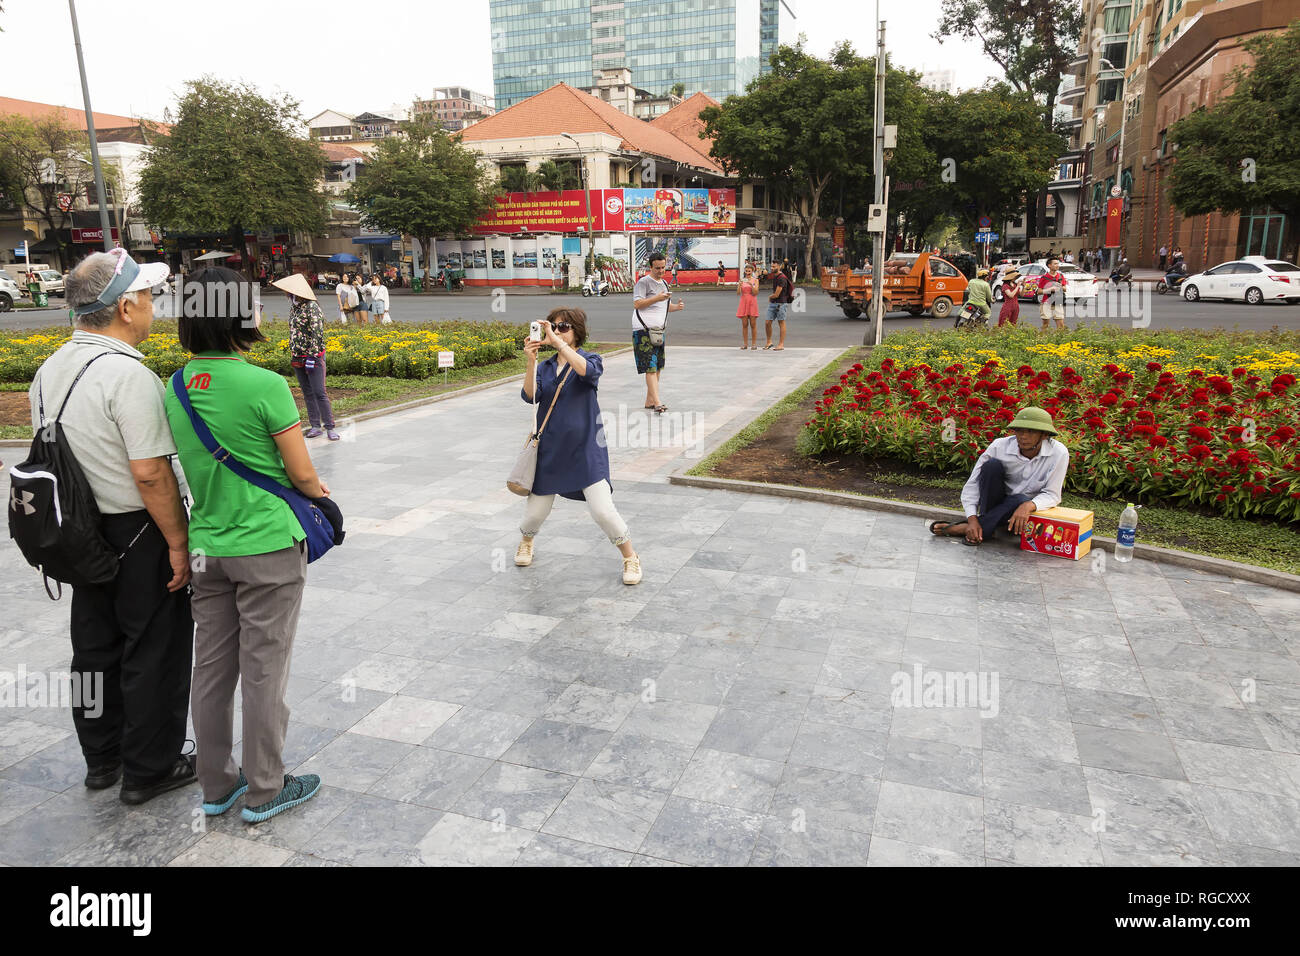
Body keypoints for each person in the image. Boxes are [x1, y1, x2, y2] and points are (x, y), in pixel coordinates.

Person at [29, 248, 195, 804]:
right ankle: (150, 767)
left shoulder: (49, 368)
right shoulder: (128, 374)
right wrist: (177, 543)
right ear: (126, 307)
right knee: (154, 648)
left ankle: (102, 761)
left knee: (94, 647)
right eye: (148, 298)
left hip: (74, 532)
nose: (153, 308)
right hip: (135, 532)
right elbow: (149, 474)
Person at [163, 266, 327, 824]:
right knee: (264, 669)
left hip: (206, 546)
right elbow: (302, 475)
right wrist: (316, 490)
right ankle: (265, 789)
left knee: (210, 670)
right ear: (237, 314)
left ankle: (217, 786)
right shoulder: (265, 385)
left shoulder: (176, 384)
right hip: (266, 547)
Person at [514, 308, 641, 584]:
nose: (557, 331)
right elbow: (530, 396)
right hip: (550, 451)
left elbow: (586, 372)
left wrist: (557, 343)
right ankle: (526, 542)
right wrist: (531, 360)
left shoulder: (590, 359)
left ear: (577, 332)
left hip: (586, 450)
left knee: (602, 510)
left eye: (563, 327)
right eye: (554, 326)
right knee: (535, 513)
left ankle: (630, 557)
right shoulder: (545, 367)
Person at [928, 407, 1069, 547]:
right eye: (1019, 430)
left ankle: (965, 529)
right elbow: (973, 483)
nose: (1023, 436)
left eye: (1031, 432)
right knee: (991, 466)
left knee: (1020, 499)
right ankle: (982, 526)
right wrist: (972, 520)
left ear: (1044, 435)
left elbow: (1052, 494)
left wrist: (1027, 506)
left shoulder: (1059, 453)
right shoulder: (999, 446)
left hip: (1023, 515)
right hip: (994, 504)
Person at [275, 273, 339, 442]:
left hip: (313, 357)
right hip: (297, 357)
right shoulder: (294, 307)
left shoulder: (312, 307)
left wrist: (311, 355)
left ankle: (330, 427)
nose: (286, 293)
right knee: (307, 393)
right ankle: (315, 426)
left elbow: (317, 333)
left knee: (319, 392)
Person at [632, 253, 684, 413]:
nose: (661, 271)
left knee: (658, 366)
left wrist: (677, 307)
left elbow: (663, 306)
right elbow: (637, 303)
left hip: (658, 331)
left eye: (663, 267)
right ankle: (657, 402)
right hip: (643, 330)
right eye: (657, 268)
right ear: (650, 267)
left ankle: (649, 400)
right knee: (650, 367)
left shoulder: (664, 284)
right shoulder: (643, 282)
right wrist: (657, 298)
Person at [764, 262, 793, 350]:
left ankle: (781, 344)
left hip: (781, 303)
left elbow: (777, 294)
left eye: (774, 266)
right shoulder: (775, 276)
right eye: (771, 266)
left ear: (779, 267)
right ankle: (769, 342)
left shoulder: (782, 278)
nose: (772, 268)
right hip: (773, 303)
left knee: (781, 323)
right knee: (767, 322)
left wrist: (770, 297)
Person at [1039, 257, 1068, 331]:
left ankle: (1059, 340)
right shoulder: (1044, 277)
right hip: (1046, 302)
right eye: (1055, 264)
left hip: (1058, 302)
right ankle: (1043, 341)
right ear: (1049, 265)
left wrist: (1059, 286)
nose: (1057, 265)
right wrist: (1049, 289)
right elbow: (1039, 291)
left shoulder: (1061, 276)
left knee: (1061, 325)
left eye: (1058, 264)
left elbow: (1065, 289)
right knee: (1045, 325)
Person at [736, 263, 760, 349]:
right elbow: (738, 293)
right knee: (744, 324)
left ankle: (754, 344)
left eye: (749, 271)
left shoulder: (755, 280)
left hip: (752, 301)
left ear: (752, 271)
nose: (747, 272)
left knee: (753, 324)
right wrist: (739, 285)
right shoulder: (742, 280)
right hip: (743, 301)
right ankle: (745, 344)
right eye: (746, 271)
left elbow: (756, 293)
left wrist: (751, 285)